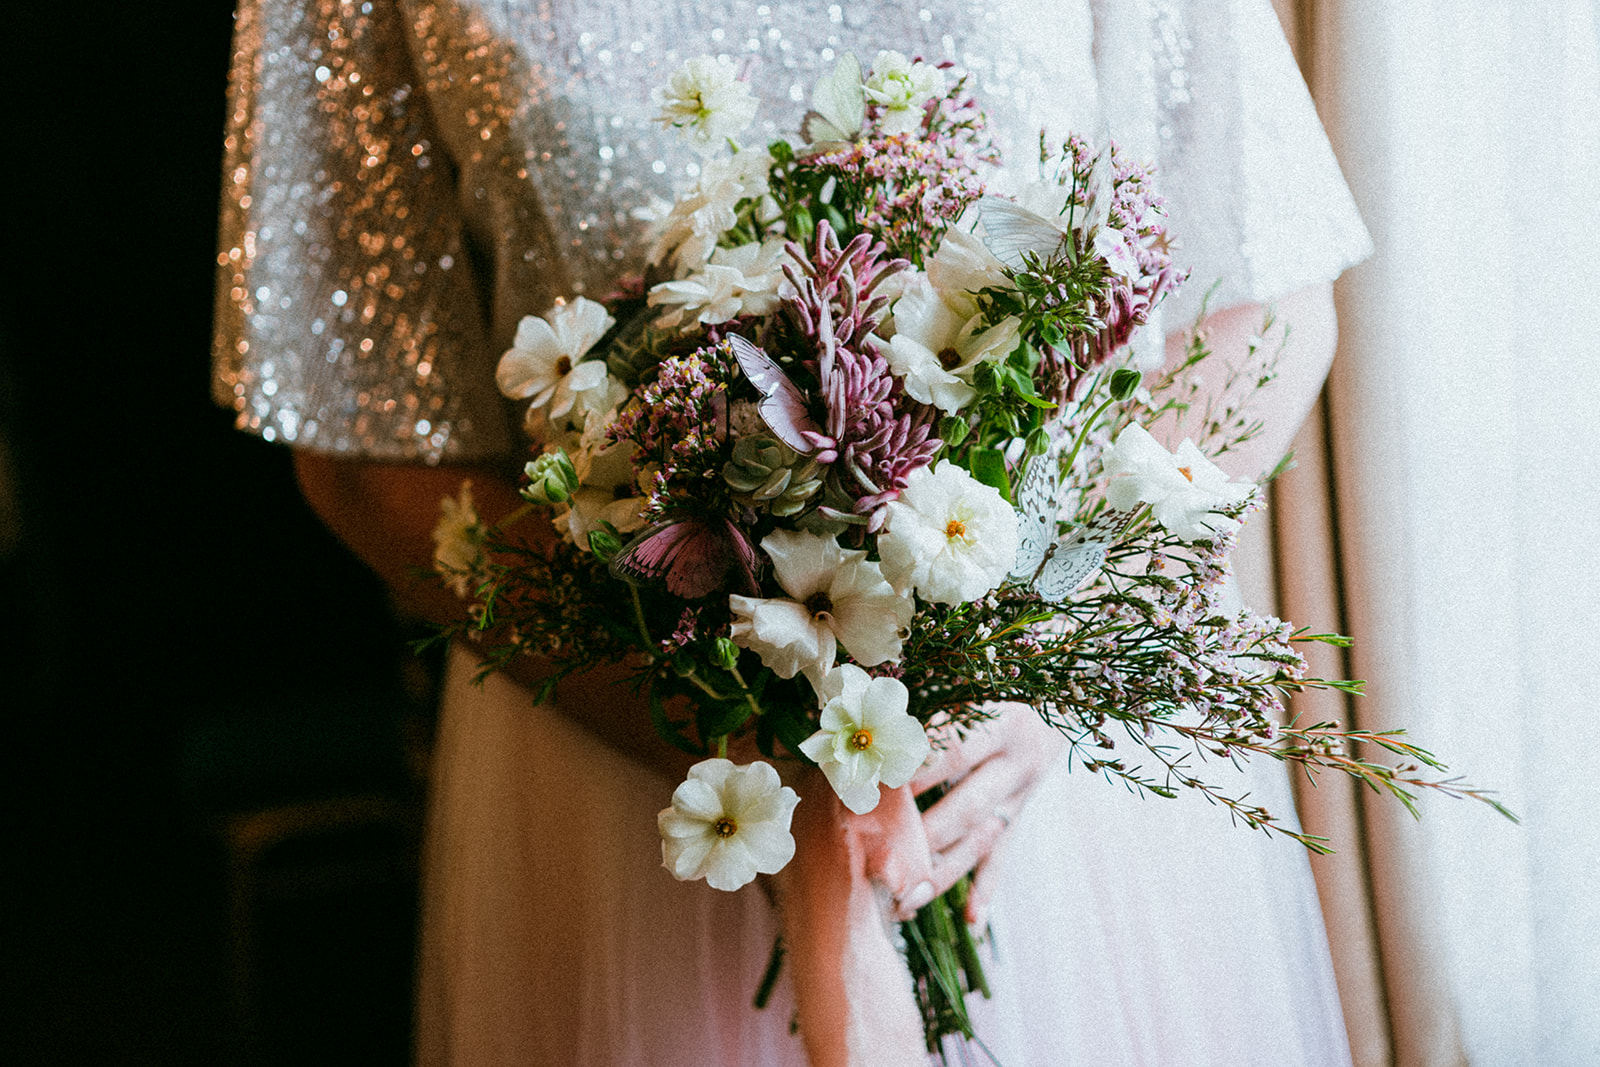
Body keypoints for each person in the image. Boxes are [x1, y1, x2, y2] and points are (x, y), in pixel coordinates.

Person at [213, 0, 1371, 1062]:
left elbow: (1257, 302)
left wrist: (1048, 655)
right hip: (634, 776)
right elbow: (368, 450)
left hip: (1030, 775)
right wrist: (714, 737)